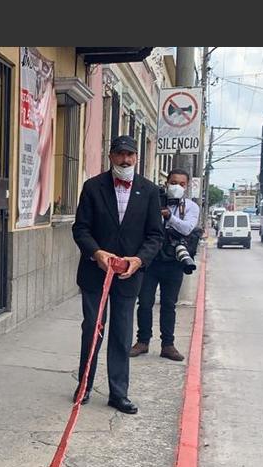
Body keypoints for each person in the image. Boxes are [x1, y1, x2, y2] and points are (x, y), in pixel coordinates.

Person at [72, 136, 165, 415]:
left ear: (137, 158)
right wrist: (96, 253)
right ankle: (84, 385)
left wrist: (138, 260)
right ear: (111, 156)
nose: (125, 160)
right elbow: (81, 229)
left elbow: (155, 235)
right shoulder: (92, 187)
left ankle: (118, 392)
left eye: (130, 155)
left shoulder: (148, 191)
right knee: (93, 328)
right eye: (120, 154)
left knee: (122, 334)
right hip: (95, 272)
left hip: (129, 275)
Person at [130, 168, 200, 362]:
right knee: (144, 302)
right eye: (173, 182)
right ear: (166, 182)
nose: (177, 187)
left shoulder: (192, 207)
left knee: (169, 304)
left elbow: (187, 229)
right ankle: (142, 341)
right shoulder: (154, 200)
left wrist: (169, 216)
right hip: (151, 259)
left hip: (174, 262)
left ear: (187, 187)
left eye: (182, 184)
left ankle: (167, 345)